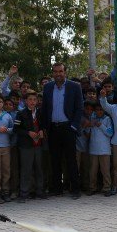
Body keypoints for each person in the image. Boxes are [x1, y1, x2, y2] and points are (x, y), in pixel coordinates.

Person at [41, 62, 84, 199]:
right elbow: (44, 109)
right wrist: (45, 127)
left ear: (65, 72)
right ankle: (57, 189)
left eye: (60, 71)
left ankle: (75, 189)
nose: (58, 74)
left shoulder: (74, 87)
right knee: (55, 160)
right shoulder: (47, 87)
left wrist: (73, 126)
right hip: (53, 128)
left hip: (68, 128)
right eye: (55, 71)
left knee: (71, 160)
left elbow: (79, 108)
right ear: (52, 73)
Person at [14, 90, 46, 202]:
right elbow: (16, 129)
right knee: (26, 169)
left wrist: (42, 130)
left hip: (38, 145)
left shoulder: (40, 112)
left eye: (34, 99)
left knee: (39, 168)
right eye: (30, 100)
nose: (32, 102)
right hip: (26, 146)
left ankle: (40, 191)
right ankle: (24, 193)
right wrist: (28, 133)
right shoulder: (21, 113)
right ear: (25, 101)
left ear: (37, 101)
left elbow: (43, 125)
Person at [88, 102, 113, 196]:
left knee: (105, 170)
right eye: (97, 110)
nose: (99, 111)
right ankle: (92, 188)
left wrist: (100, 125)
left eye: (101, 110)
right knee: (92, 170)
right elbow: (87, 131)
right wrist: (90, 124)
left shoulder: (107, 119)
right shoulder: (91, 118)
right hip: (93, 149)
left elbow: (110, 133)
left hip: (104, 150)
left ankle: (107, 188)